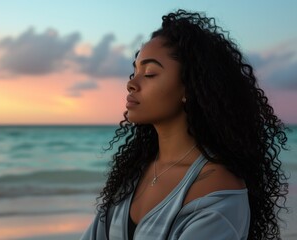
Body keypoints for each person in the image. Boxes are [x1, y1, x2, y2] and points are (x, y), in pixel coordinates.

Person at [80, 9, 288, 240]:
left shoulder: (215, 190)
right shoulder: (132, 174)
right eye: (134, 71)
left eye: (149, 73)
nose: (131, 83)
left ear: (189, 87)